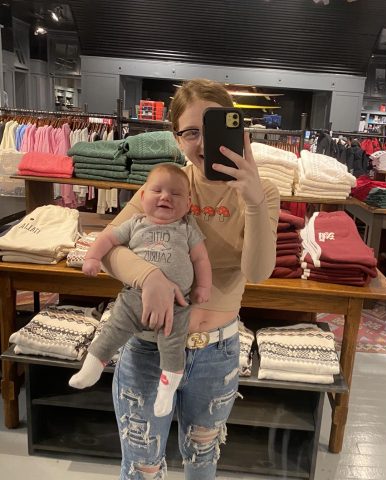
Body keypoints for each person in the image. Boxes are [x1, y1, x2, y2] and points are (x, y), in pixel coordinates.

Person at [102, 78, 280, 479]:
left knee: (203, 459)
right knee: (142, 466)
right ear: (176, 137)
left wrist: (252, 202)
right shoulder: (166, 187)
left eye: (213, 129)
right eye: (191, 132)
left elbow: (257, 272)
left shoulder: (263, 192)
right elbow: (109, 247)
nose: (203, 143)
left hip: (216, 354)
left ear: (237, 132)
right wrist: (149, 276)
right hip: (150, 348)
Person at [69, 163, 212, 418]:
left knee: (173, 344)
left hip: (179, 303)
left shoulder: (187, 228)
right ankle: (93, 365)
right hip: (135, 297)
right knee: (115, 327)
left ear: (188, 204)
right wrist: (92, 257)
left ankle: (167, 389)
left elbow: (201, 259)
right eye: (157, 191)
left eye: (176, 194)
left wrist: (202, 286)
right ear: (143, 197)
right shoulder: (135, 223)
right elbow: (107, 239)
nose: (166, 197)